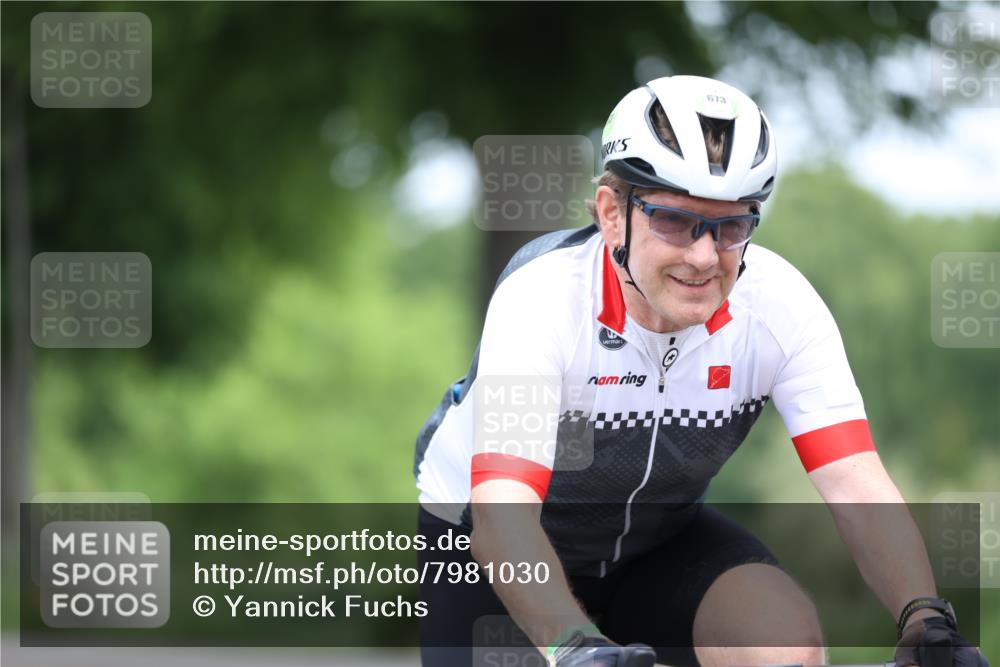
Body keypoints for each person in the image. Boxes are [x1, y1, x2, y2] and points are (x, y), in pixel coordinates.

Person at [413, 75, 988, 667]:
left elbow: (855, 483)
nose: (704, 256)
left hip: (660, 539)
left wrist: (924, 617)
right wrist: (572, 644)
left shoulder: (778, 306)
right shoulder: (544, 299)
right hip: (490, 546)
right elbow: (502, 515)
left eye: (732, 226)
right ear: (613, 214)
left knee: (781, 643)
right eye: (675, 221)